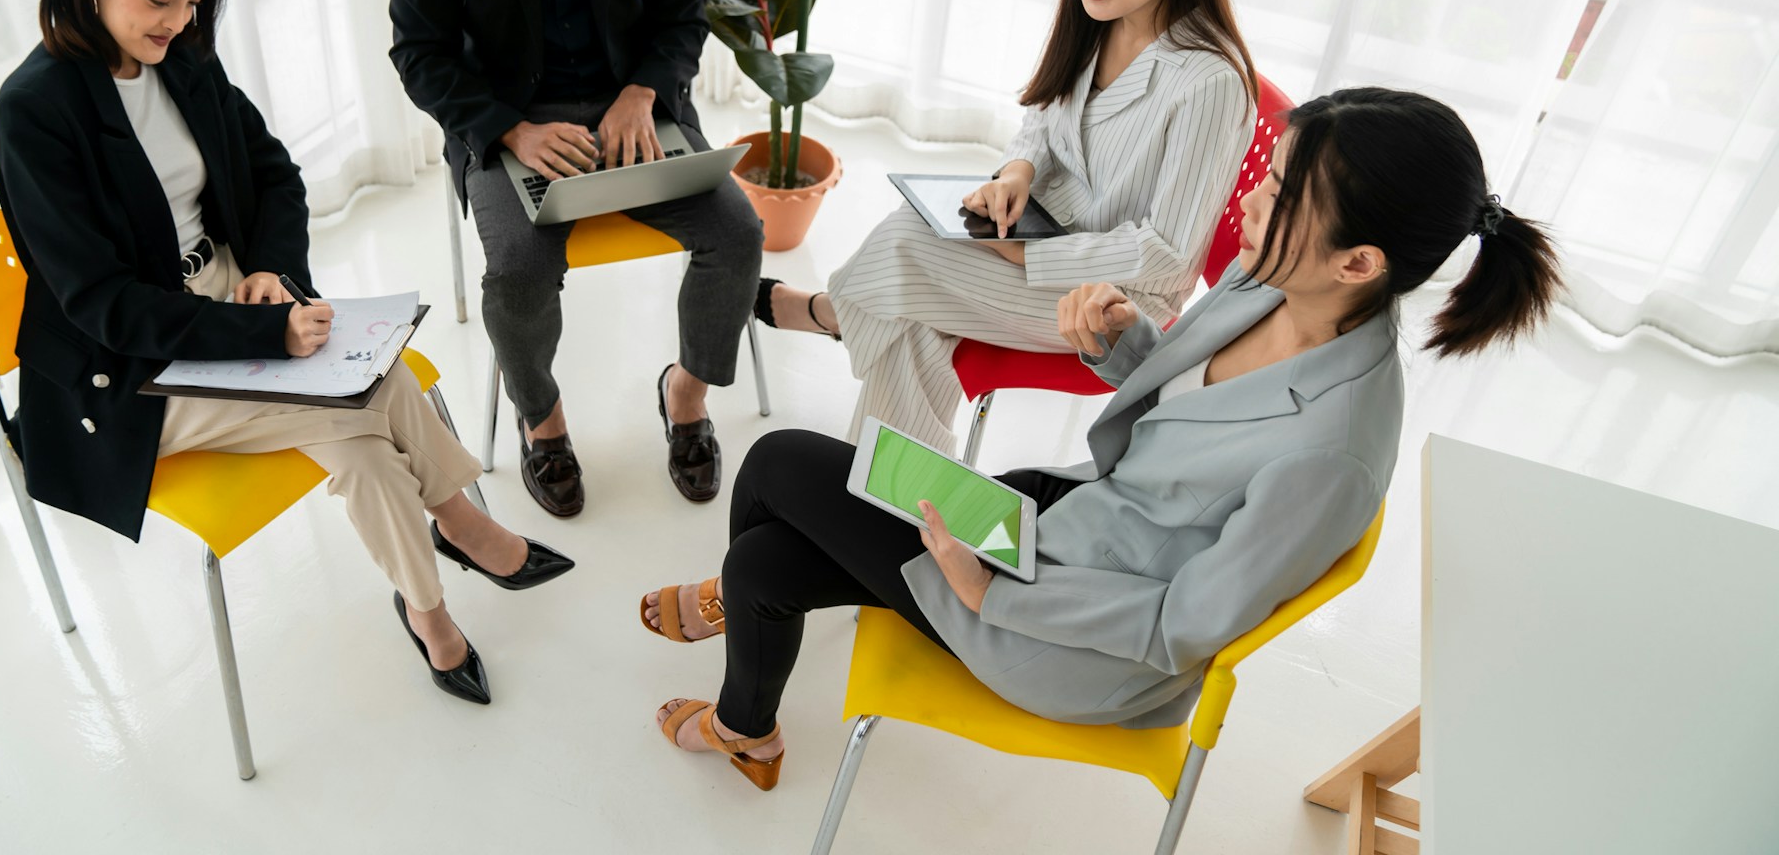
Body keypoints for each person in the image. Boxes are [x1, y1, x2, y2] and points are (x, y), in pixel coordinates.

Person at [638, 87, 1560, 787]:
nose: (1248, 206)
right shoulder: (1275, 279)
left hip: (1069, 633)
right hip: (1058, 521)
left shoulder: (1336, 451)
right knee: (765, 563)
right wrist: (1126, 344)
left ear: (1360, 263)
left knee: (775, 463)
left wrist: (992, 595)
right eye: (1270, 173)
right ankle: (748, 726)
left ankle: (738, 671)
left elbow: (1180, 627)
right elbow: (1190, 420)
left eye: (1277, 194)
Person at [0, 0, 572, 708]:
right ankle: (463, 524)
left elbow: (273, 176)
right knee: (374, 386)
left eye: (193, 1)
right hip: (125, 369)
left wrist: (270, 274)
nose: (179, 21)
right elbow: (100, 304)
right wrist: (266, 335)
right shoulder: (34, 110)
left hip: (226, 294)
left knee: (366, 449)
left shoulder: (183, 58)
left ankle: (429, 611)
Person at [388, 0, 762, 518]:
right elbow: (418, 52)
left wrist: (641, 94)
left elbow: (680, 19)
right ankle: (542, 421)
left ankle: (686, 398)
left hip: (631, 108)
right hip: (506, 118)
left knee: (737, 233)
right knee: (519, 271)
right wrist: (510, 130)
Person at [755, 0, 1258, 453]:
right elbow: (1044, 120)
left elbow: (1171, 257)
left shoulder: (1210, 82)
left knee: (898, 248)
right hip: (1041, 227)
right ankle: (894, 511)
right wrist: (1018, 172)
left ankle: (832, 313)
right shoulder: (1102, 14)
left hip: (1113, 299)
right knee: (916, 326)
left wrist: (1033, 258)